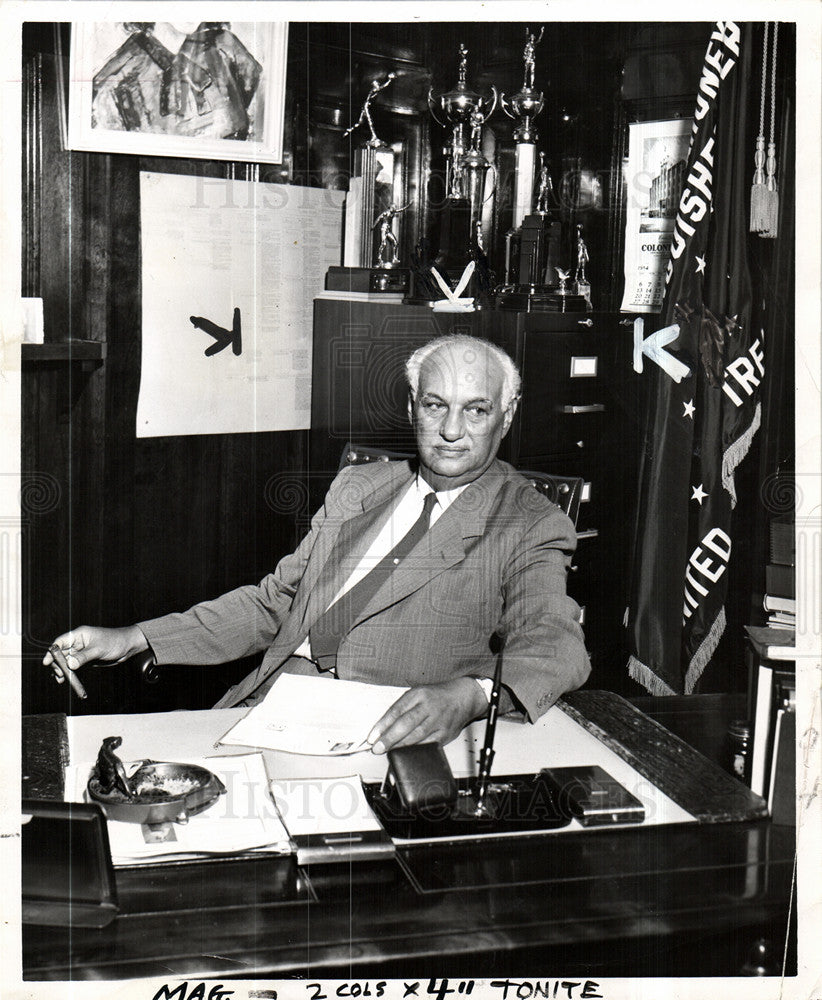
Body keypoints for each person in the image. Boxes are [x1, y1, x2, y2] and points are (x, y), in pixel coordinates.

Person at [45, 335, 590, 752]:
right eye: (434, 405)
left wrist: (473, 694)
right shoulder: (361, 486)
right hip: (266, 705)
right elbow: (275, 603)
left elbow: (554, 643)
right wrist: (134, 638)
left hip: (380, 739)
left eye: (476, 409)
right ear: (410, 408)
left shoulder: (528, 522)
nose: (452, 429)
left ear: (507, 415)